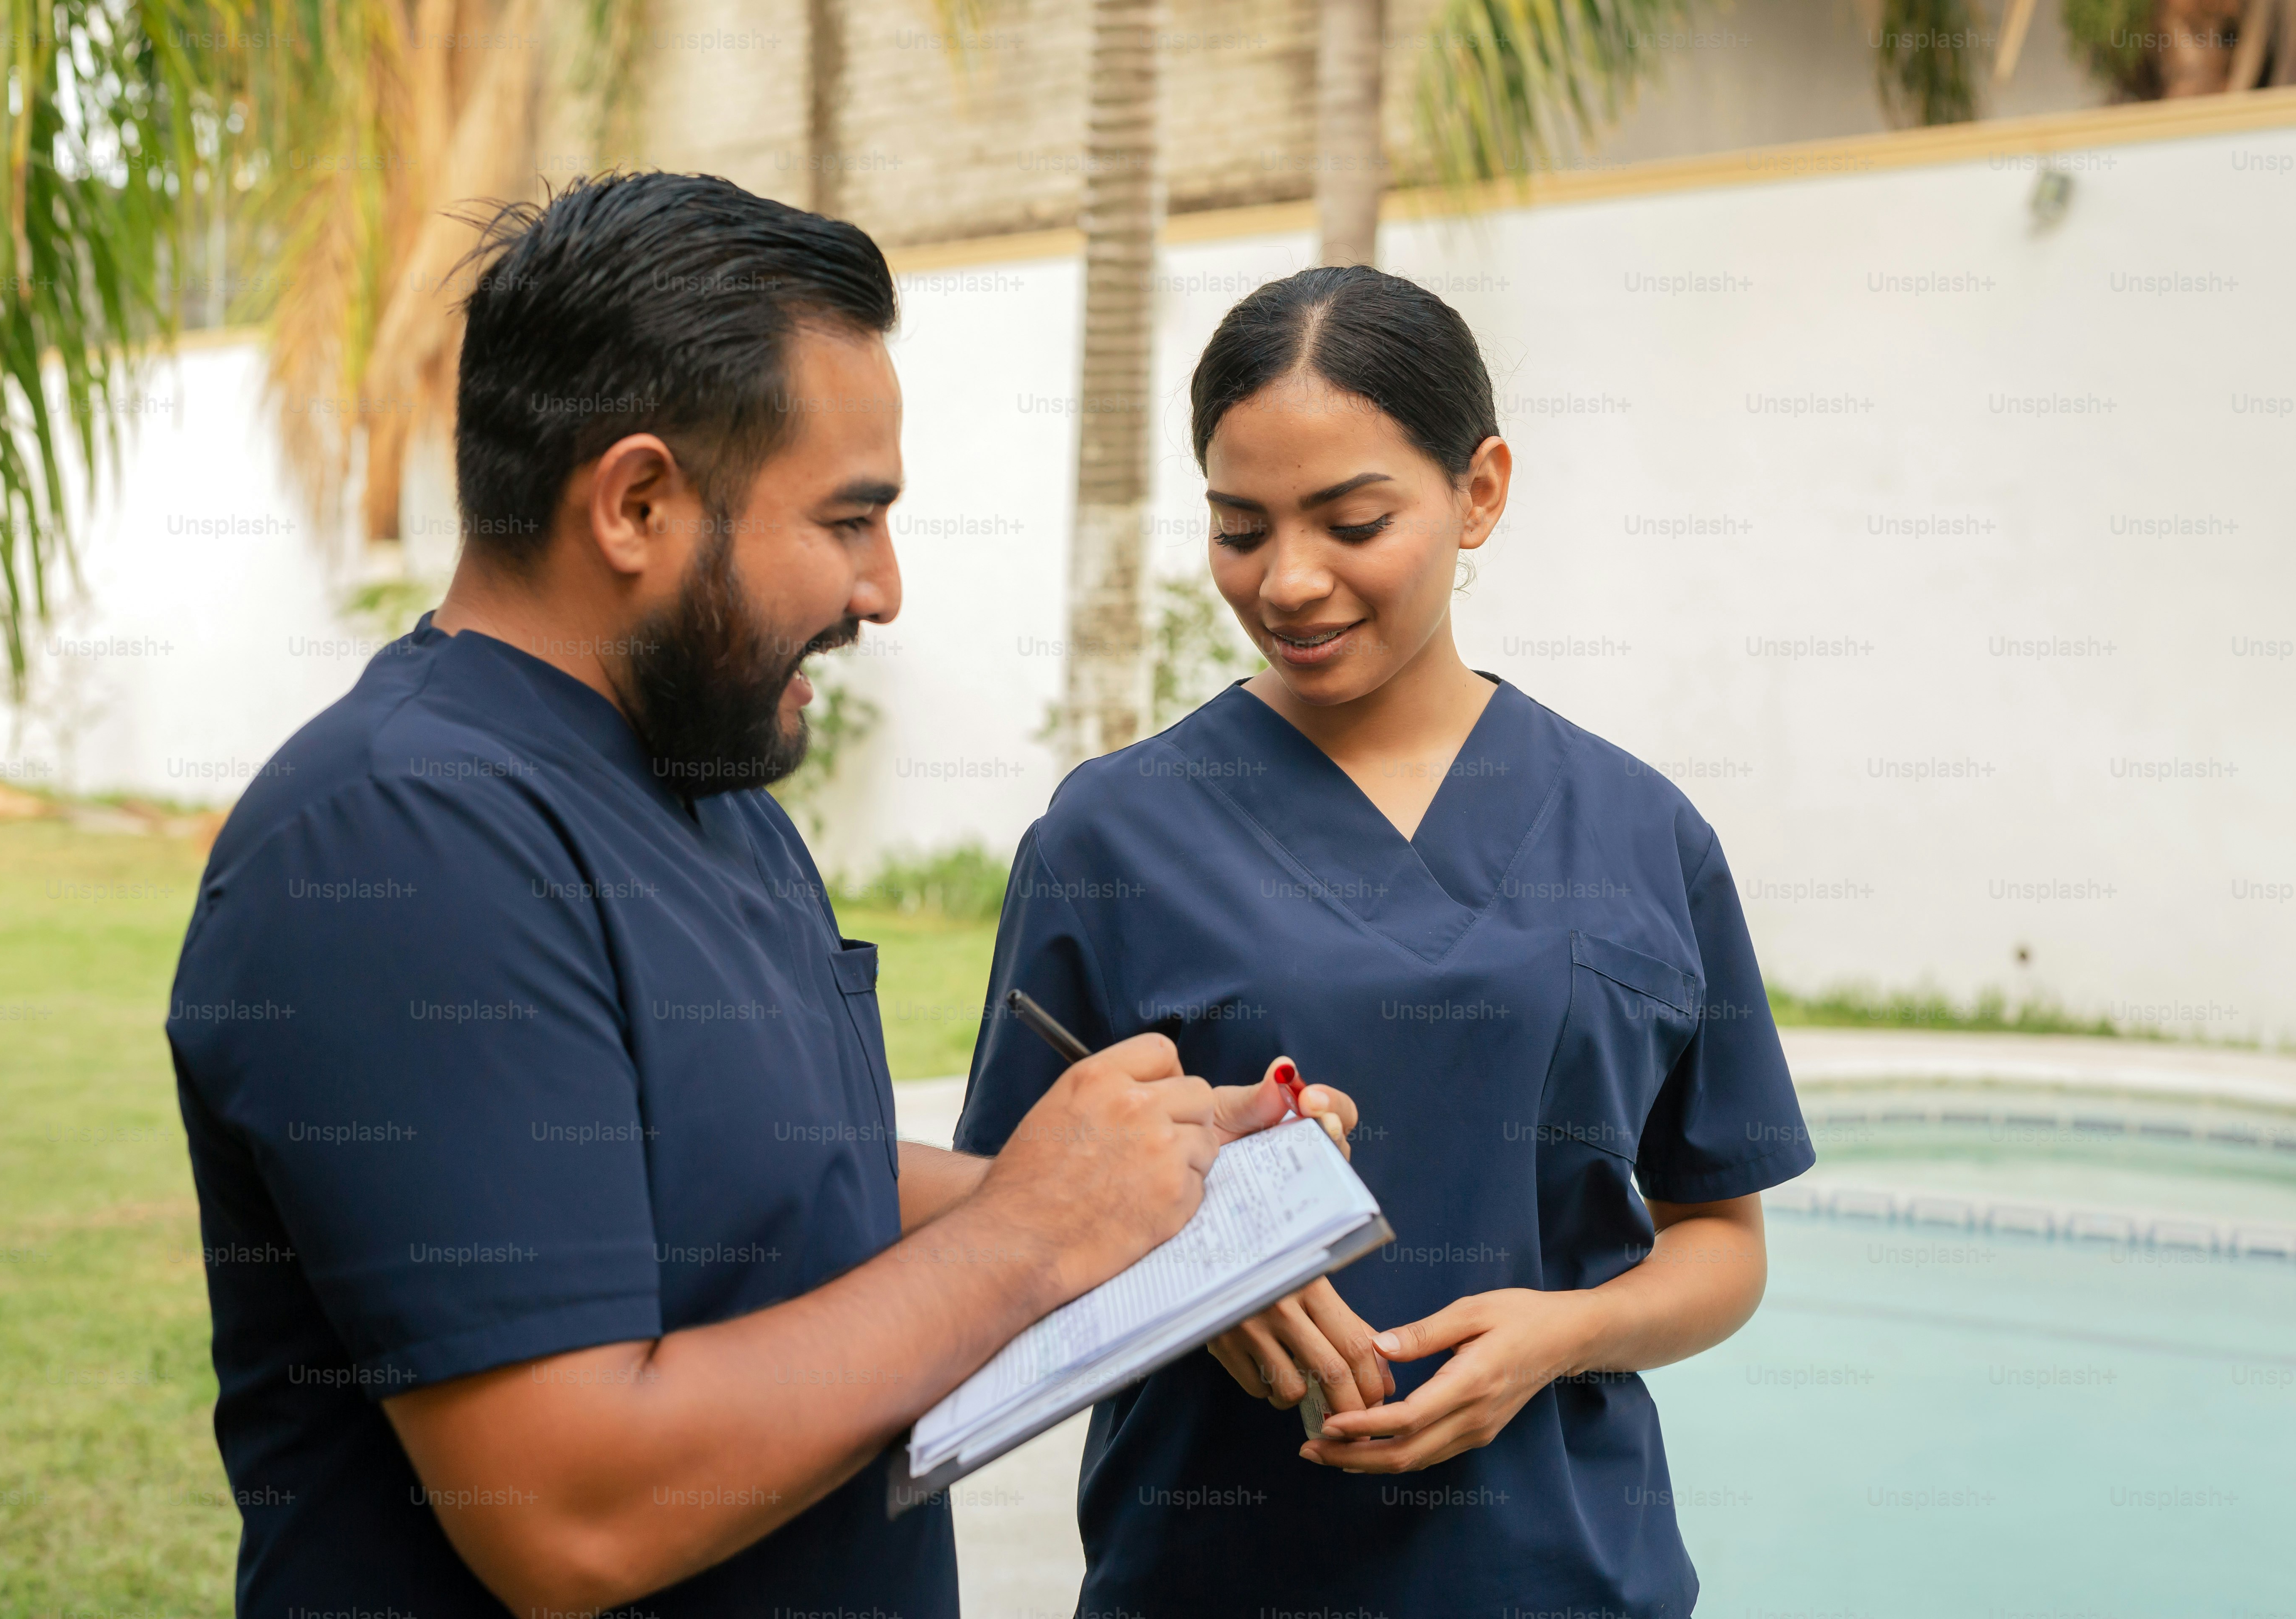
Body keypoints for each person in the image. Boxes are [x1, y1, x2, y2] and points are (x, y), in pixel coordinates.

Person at [164, 173, 1351, 1618]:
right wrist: (1025, 1236)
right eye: (850, 520)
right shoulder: (399, 840)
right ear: (639, 502)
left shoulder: (709, 789)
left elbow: (758, 1175)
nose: (886, 589)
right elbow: (568, 1512)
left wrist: (1146, 1191)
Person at [954, 265, 1817, 1618]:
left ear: (1480, 491)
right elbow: (995, 1241)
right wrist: (1202, 1282)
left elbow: (1722, 1238)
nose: (1288, 582)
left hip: (1569, 1575)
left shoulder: (1645, 833)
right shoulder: (1109, 843)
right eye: (1240, 531)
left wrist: (1564, 1334)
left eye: (1352, 521)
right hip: (1216, 1576)